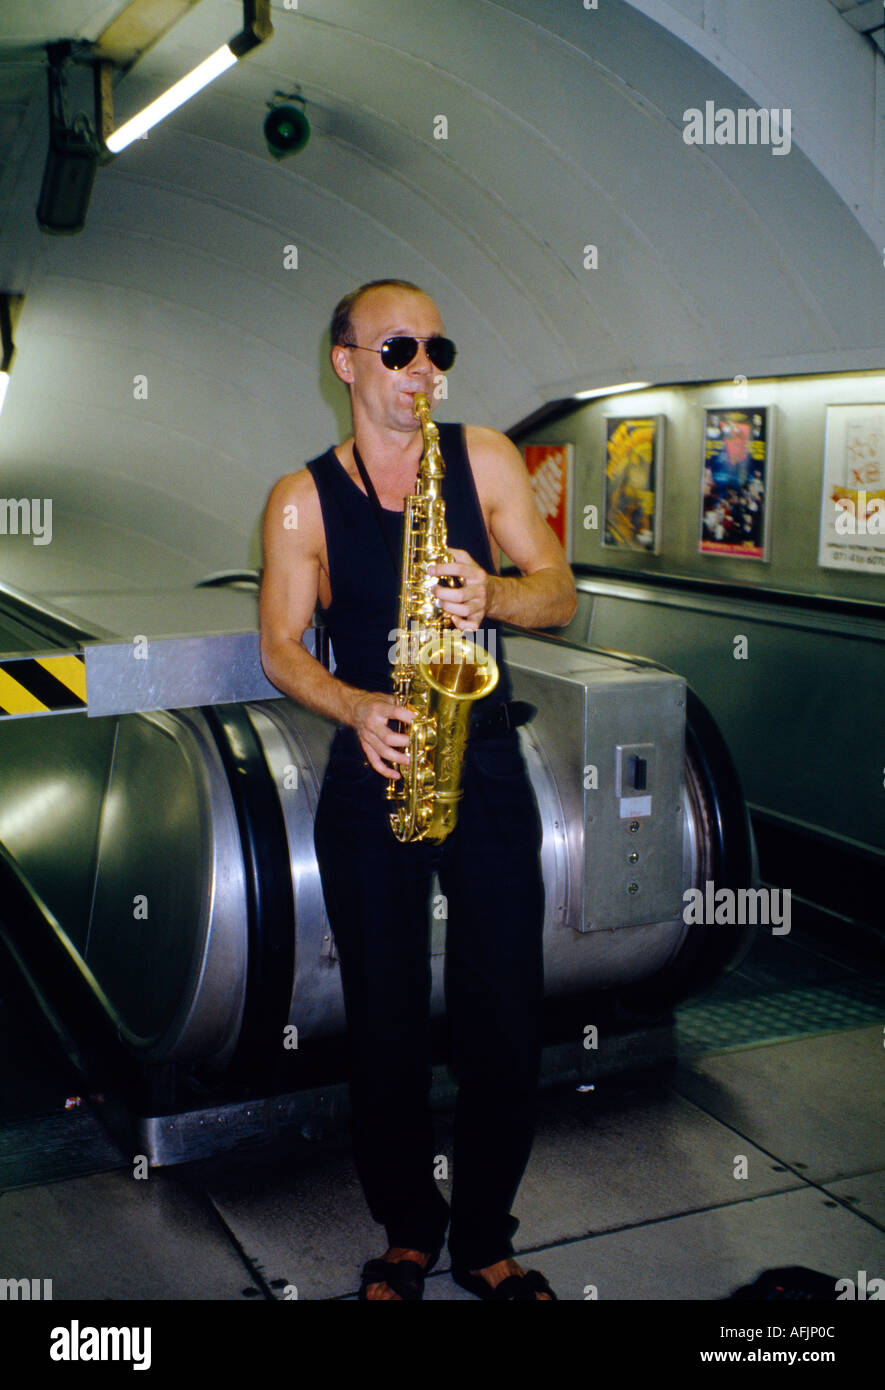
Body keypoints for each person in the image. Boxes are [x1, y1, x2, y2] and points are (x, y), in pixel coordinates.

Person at [259, 279, 577, 1300]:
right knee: (385, 1019)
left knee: (503, 1013)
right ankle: (408, 1229)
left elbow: (560, 594)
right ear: (346, 361)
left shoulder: (481, 459)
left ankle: (486, 1238)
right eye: (398, 349)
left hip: (479, 759)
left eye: (436, 347)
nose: (424, 367)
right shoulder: (300, 498)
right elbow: (277, 648)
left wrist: (496, 595)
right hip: (374, 758)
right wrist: (354, 707)